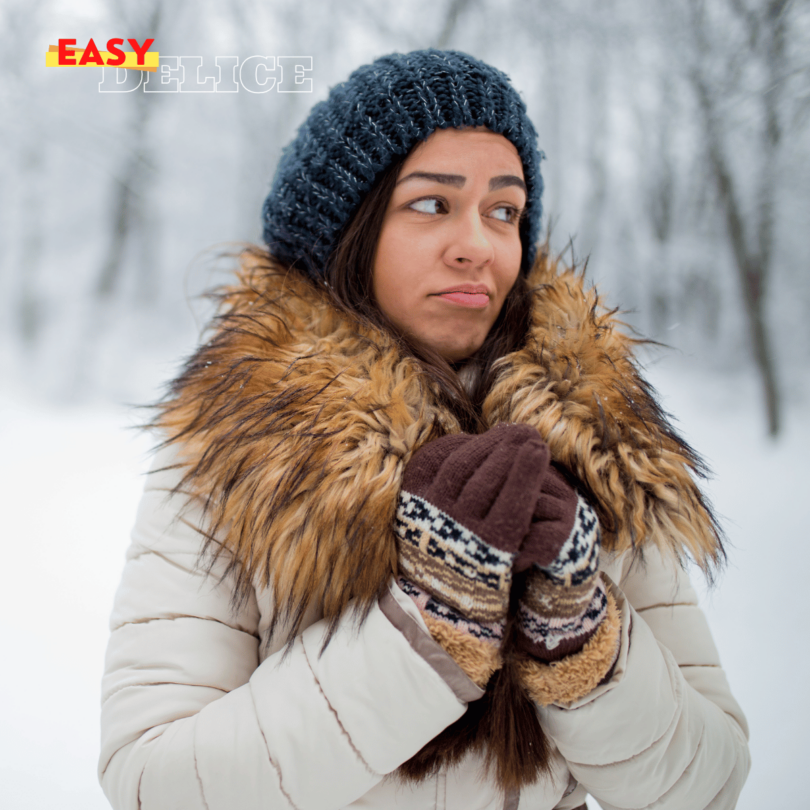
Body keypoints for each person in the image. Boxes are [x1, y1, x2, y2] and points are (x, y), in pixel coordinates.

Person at [99, 50, 750, 810]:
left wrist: (582, 637)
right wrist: (425, 627)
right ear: (349, 227)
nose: (477, 243)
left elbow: (709, 786)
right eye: (433, 205)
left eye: (503, 211)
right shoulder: (236, 447)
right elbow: (153, 783)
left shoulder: (592, 440)